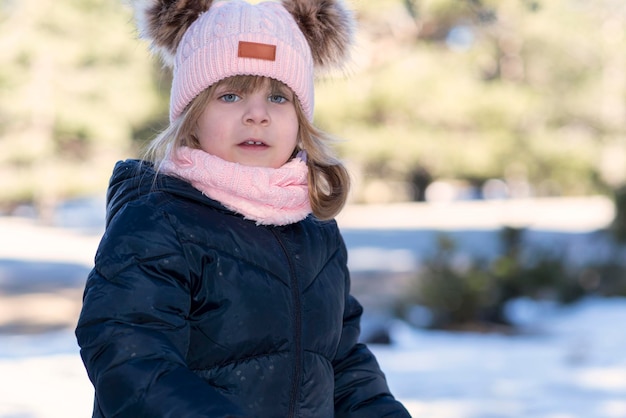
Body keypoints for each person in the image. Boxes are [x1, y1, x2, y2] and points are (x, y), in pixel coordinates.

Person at [75, 0, 411, 416]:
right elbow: (130, 356)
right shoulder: (159, 223)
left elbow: (342, 366)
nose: (257, 115)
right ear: (192, 116)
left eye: (278, 97)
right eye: (230, 95)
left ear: (301, 118)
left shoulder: (316, 235)